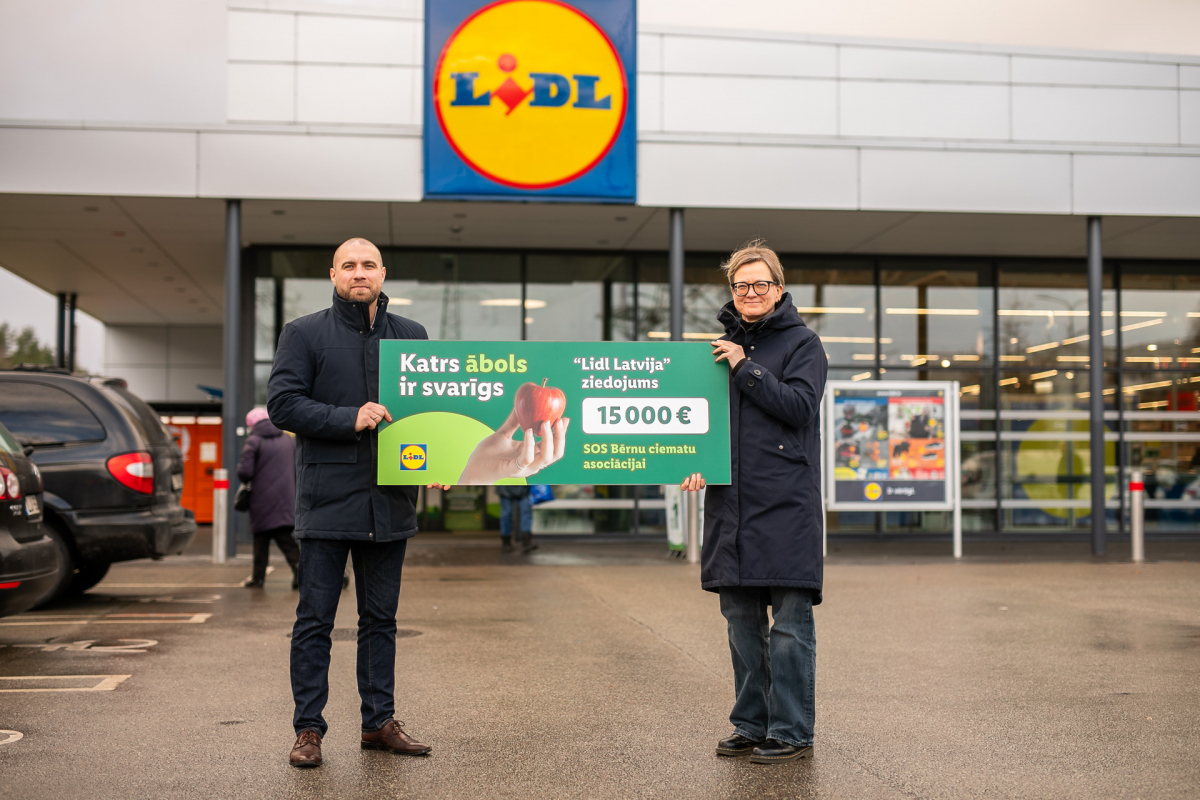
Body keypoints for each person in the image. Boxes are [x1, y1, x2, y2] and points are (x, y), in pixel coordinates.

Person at [268, 237, 432, 768]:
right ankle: (308, 730)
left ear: (383, 273)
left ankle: (378, 723)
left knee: (380, 620)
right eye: (349, 266)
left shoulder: (412, 335)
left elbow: (425, 413)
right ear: (333, 274)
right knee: (314, 620)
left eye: (368, 265)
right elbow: (283, 404)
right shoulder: (303, 333)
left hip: (390, 503)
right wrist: (347, 417)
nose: (359, 273)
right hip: (326, 501)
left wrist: (441, 463)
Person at [681, 241, 827, 765]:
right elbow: (704, 426)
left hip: (786, 504)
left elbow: (800, 407)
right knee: (742, 627)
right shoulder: (715, 350)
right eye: (741, 285)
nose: (750, 293)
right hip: (732, 507)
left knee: (789, 628)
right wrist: (694, 460)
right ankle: (751, 723)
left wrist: (746, 367)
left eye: (760, 284)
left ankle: (791, 730)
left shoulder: (803, 344)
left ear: (779, 289)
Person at [236, 406, 300, 589]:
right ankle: (299, 574)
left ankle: (258, 578)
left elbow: (245, 472)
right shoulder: (288, 439)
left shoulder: (253, 441)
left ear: (252, 424)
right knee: (285, 538)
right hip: (286, 496)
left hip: (261, 499)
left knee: (261, 539)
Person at [495, 484, 536, 553]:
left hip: (516, 486)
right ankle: (507, 542)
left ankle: (525, 541)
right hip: (510, 487)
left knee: (509, 514)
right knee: (508, 514)